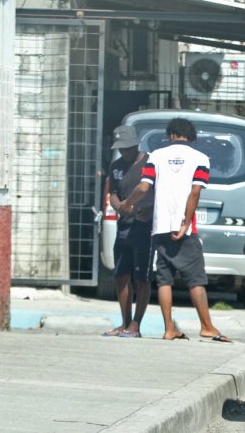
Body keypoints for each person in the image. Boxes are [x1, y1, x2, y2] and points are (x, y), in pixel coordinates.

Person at [119, 118, 231, 343]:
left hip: (160, 226)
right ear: (190, 137)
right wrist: (185, 223)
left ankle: (169, 328)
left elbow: (144, 187)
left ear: (171, 135)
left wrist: (127, 203)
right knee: (196, 279)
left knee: (164, 279)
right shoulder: (201, 159)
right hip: (184, 229)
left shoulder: (156, 157)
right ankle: (207, 327)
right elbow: (195, 192)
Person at [102, 125, 153, 338]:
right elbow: (112, 193)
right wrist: (118, 205)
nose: (125, 152)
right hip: (124, 226)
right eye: (121, 149)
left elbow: (157, 192)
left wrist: (148, 212)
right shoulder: (116, 166)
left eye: (128, 148)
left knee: (142, 276)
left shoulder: (149, 164)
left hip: (144, 226)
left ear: (136, 145)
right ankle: (124, 322)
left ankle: (136, 324)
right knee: (121, 275)